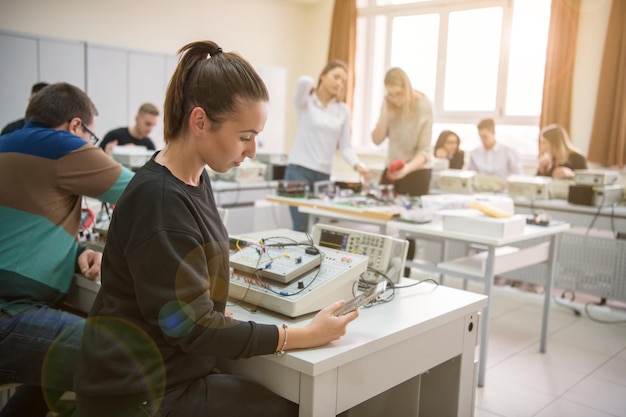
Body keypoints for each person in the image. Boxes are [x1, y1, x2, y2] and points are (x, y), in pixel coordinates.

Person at [72, 41, 359, 417]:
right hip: (141, 394)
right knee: (302, 408)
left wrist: (210, 312)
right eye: (245, 136)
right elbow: (193, 329)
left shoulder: (193, 178)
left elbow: (185, 298)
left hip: (164, 374)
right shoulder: (160, 200)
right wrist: (304, 335)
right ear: (200, 122)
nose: (253, 150)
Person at [0, 82, 134, 417]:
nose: (91, 144)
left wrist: (75, 253)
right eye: (91, 136)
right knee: (123, 356)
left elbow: (20, 230)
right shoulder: (62, 146)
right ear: (76, 126)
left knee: (57, 366)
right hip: (10, 314)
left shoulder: (6, 144)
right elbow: (146, 192)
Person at [284, 60, 370, 232]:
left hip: (323, 175)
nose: (339, 83)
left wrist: (359, 166)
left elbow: (345, 147)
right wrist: (315, 86)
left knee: (318, 228)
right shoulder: (305, 103)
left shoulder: (343, 110)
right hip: (298, 171)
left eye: (343, 81)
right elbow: (302, 82)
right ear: (323, 76)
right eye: (336, 77)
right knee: (300, 226)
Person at [372, 67, 433, 196]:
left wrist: (406, 169)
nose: (395, 99)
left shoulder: (424, 106)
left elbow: (425, 151)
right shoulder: (389, 103)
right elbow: (377, 140)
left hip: (416, 171)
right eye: (390, 94)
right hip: (392, 169)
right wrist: (387, 113)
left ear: (407, 88)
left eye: (399, 94)